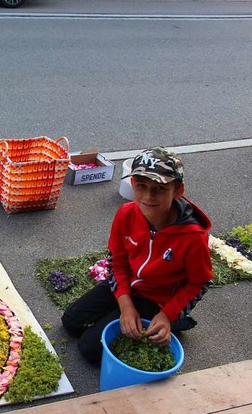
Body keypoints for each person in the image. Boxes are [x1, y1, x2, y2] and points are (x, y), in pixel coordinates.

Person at [61, 147, 213, 365]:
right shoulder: (126, 214)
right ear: (133, 185)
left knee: (90, 350)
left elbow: (199, 283)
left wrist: (167, 315)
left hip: (157, 299)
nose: (148, 197)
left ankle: (173, 322)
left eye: (159, 189)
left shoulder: (193, 237)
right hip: (128, 286)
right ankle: (127, 314)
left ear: (178, 190)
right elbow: (117, 263)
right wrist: (125, 305)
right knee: (71, 322)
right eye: (141, 186)